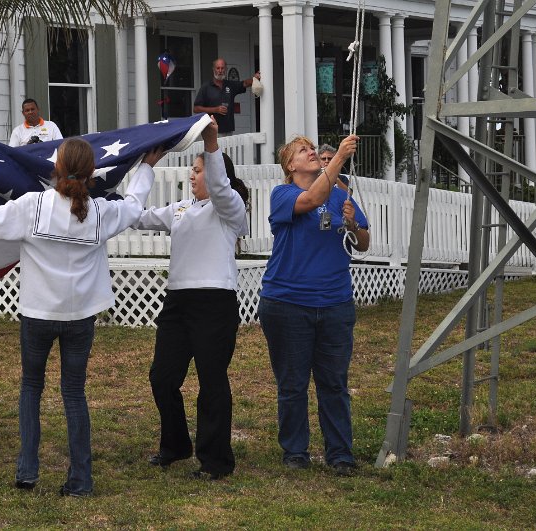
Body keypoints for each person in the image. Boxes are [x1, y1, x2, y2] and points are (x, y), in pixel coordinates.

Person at [0, 137, 166, 496]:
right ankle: (81, 480)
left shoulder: (33, 206)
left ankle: (27, 472)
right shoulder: (100, 212)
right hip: (80, 316)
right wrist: (146, 165)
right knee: (74, 393)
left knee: (31, 388)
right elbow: (133, 205)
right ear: (91, 174)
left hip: (38, 313)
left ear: (56, 166)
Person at [135, 116, 250, 480]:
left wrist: (211, 144)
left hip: (214, 302)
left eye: (197, 170)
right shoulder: (181, 209)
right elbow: (136, 217)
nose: (192, 175)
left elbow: (219, 185)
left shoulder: (230, 208)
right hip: (178, 303)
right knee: (162, 377)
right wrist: (144, 168)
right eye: (192, 169)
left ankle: (215, 460)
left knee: (211, 381)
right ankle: (175, 445)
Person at [257, 134, 369, 477]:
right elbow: (311, 199)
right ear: (290, 166)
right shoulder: (284, 194)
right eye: (303, 151)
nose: (310, 152)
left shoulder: (339, 195)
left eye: (312, 149)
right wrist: (338, 160)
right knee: (292, 383)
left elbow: (363, 241)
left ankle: (340, 453)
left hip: (335, 302)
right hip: (287, 303)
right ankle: (295, 450)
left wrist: (351, 221)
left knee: (333, 383)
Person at [193, 58, 261, 135]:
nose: (220, 70)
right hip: (211, 131)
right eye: (218, 68)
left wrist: (254, 79)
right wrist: (215, 109)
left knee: (228, 147)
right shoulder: (206, 87)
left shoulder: (230, 85)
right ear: (213, 69)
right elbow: (196, 109)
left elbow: (244, 83)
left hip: (228, 130)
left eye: (222, 68)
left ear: (226, 69)